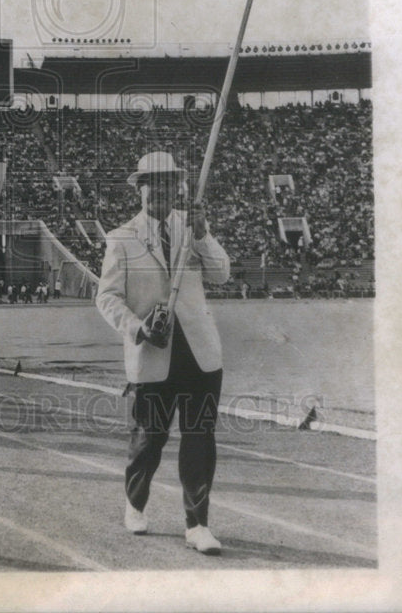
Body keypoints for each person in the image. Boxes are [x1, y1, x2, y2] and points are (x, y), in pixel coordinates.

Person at [96, 152, 230, 555]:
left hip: (200, 354)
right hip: (153, 354)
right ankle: (135, 502)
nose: (161, 190)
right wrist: (138, 328)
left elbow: (222, 273)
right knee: (148, 441)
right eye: (152, 182)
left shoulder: (192, 227)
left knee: (199, 439)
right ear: (140, 188)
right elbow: (106, 297)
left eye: (169, 182)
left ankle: (197, 523)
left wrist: (204, 234)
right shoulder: (121, 238)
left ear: (178, 187)